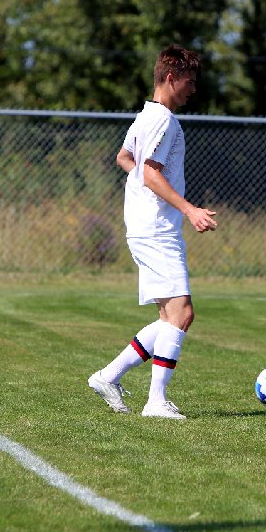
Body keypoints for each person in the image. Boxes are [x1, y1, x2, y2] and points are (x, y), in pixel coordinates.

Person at [87, 44, 217, 420]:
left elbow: (124, 158)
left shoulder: (145, 115)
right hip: (157, 229)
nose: (193, 89)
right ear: (171, 78)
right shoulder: (164, 120)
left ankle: (108, 377)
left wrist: (144, 187)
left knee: (169, 318)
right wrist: (189, 209)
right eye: (189, 81)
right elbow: (149, 171)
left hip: (145, 227)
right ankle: (156, 402)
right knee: (182, 313)